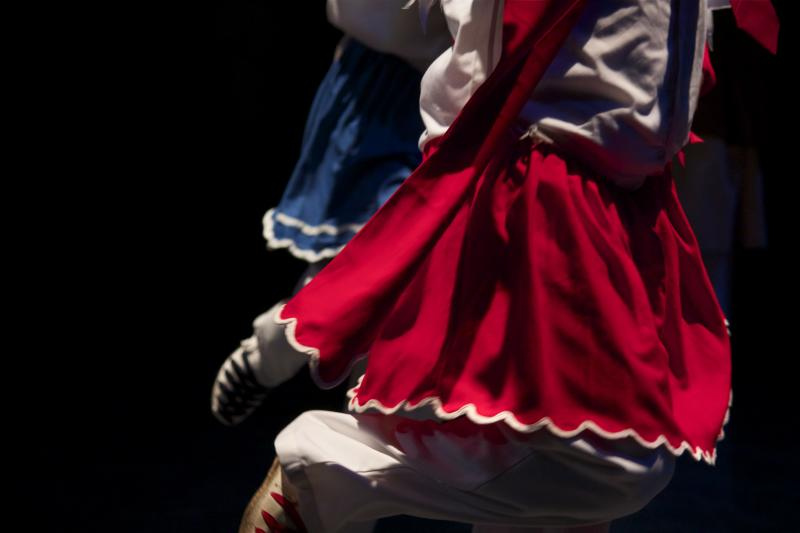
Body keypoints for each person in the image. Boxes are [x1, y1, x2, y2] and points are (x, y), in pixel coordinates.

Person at [236, 1, 778, 532]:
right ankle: (331, 468)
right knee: (614, 460)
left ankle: (324, 453)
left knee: (558, 475)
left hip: (620, 186)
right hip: (548, 173)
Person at [210, 4, 449, 426]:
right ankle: (276, 347)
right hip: (387, 90)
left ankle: (362, 420)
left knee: (418, 275)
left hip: (462, 103)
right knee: (374, 256)